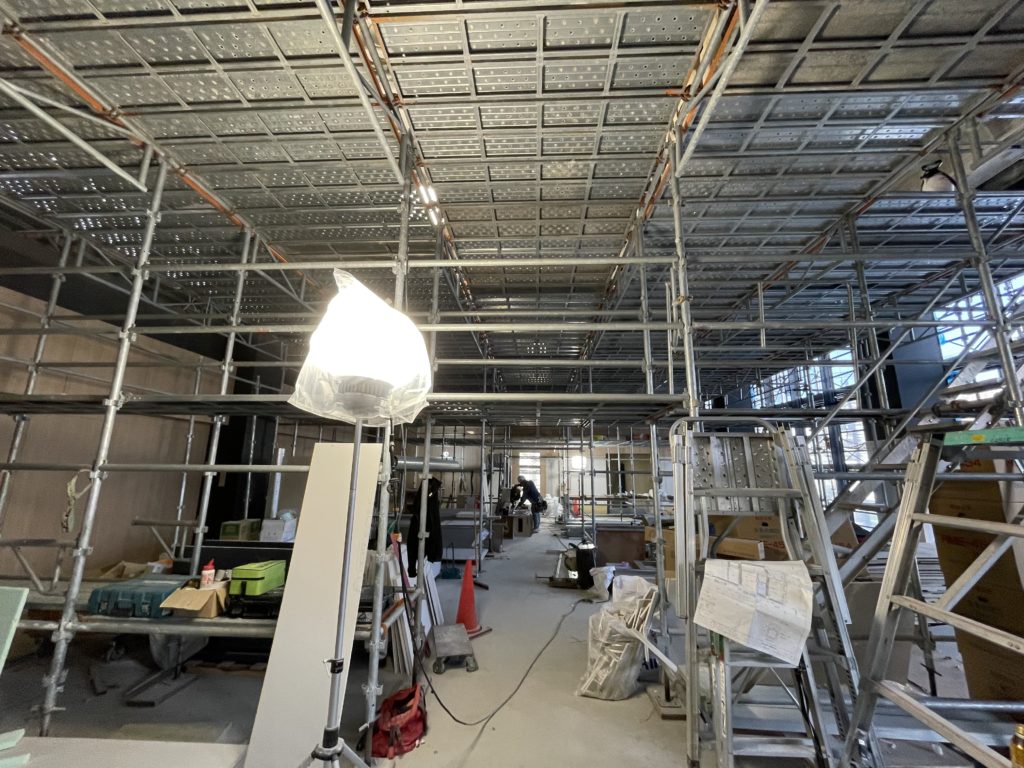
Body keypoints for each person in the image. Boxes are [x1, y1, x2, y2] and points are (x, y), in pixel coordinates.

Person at [406, 477, 442, 578]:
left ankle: (415, 572)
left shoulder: (430, 494)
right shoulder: (430, 494)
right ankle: (416, 573)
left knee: (414, 546)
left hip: (424, 531)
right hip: (423, 530)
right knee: (414, 546)